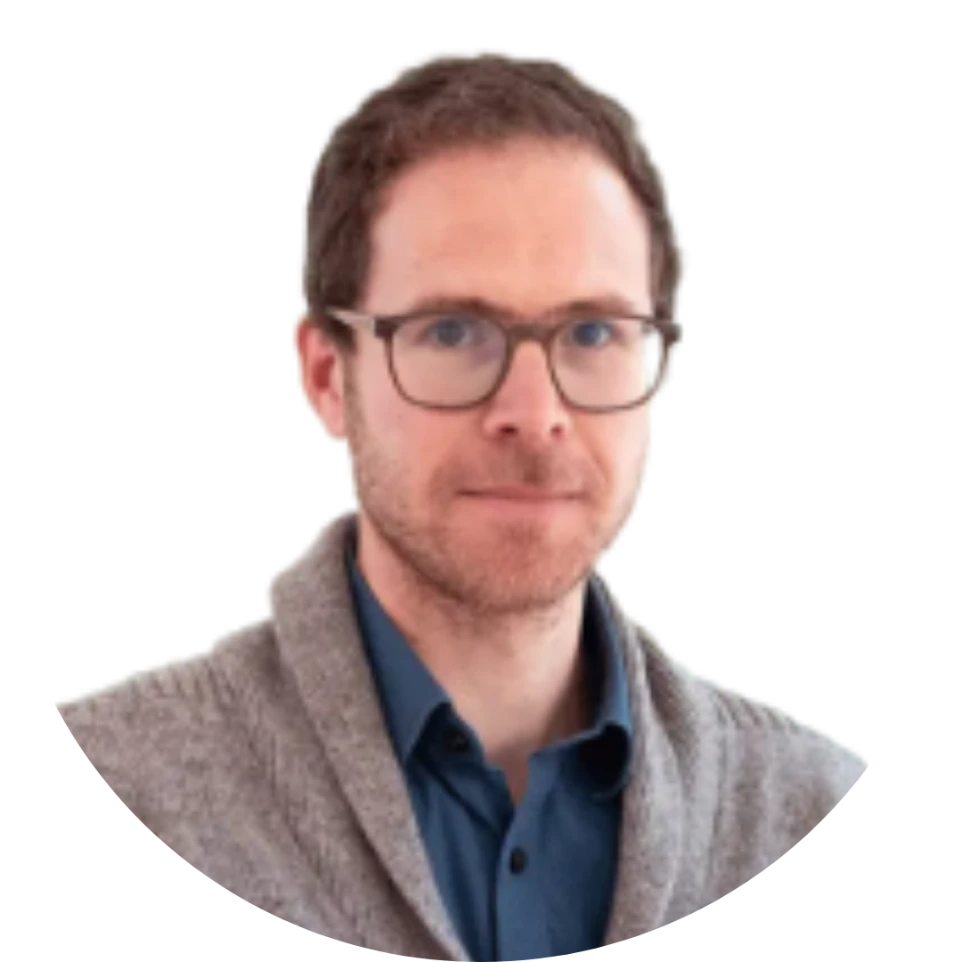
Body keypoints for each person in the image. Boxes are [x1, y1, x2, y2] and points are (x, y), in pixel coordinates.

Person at [52, 47, 869, 959]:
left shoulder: (811, 804)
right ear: (325, 376)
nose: (534, 413)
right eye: (452, 331)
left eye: (593, 331)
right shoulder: (122, 781)